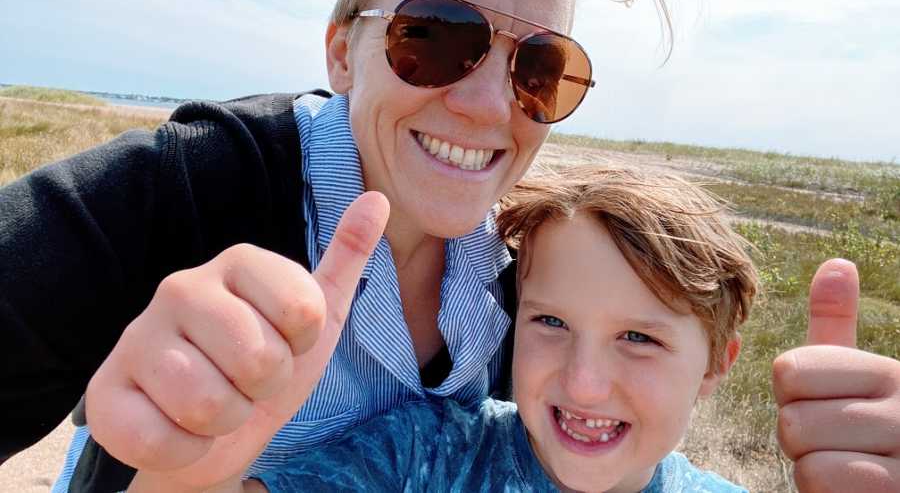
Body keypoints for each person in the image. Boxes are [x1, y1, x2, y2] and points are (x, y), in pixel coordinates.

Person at [0, 0, 897, 493]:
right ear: (342, 53)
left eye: (539, 66)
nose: (487, 102)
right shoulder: (195, 189)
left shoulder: (525, 289)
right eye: (431, 37)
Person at [130, 164, 759, 492]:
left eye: (639, 338)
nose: (585, 383)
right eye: (551, 322)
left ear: (716, 362)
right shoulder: (426, 455)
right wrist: (192, 473)